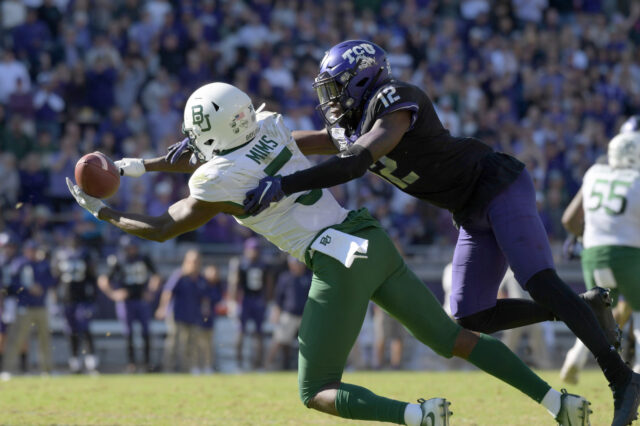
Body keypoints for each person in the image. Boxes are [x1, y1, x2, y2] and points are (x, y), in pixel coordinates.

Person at [67, 82, 590, 425]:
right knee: (453, 338)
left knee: (314, 389)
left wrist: (101, 211)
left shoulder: (214, 179)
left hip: (334, 262)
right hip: (369, 236)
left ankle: (416, 416)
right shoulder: (271, 129)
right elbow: (261, 152)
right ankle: (557, 403)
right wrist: (146, 165)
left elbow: (162, 228)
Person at [241, 40, 640, 425]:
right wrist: (231, 146)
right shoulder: (353, 123)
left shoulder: (394, 99)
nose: (329, 99)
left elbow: (356, 163)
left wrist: (284, 185)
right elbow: (295, 142)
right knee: (472, 314)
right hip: (468, 209)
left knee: (538, 281)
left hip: (497, 183)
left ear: (362, 79)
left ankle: (622, 378)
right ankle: (583, 308)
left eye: (335, 87)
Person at [561, 117, 640, 384]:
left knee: (599, 315)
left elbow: (569, 220)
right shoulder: (637, 180)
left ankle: (574, 358)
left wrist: (594, 236)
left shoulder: (595, 173)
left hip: (592, 255)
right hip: (628, 256)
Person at [98, 235, 160, 373]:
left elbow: (156, 275)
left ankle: (147, 363)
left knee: (145, 332)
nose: (132, 250)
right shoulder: (118, 261)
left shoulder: (144, 258)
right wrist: (113, 294)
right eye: (129, 247)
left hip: (141, 299)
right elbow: (103, 280)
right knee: (129, 333)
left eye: (134, 247)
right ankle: (131, 364)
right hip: (126, 301)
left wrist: (150, 291)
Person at [1, 240, 55, 377]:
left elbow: (51, 280)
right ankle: (8, 369)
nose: (33, 253)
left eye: (35, 250)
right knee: (18, 337)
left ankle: (47, 369)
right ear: (26, 251)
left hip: (41, 306)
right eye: (31, 250)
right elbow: (12, 283)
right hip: (25, 306)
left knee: (44, 338)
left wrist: (40, 286)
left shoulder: (43, 264)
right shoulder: (19, 263)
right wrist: (28, 288)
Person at [54, 234, 98, 374]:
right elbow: (56, 278)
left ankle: (91, 361)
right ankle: (75, 361)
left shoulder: (86, 255)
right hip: (67, 299)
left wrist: (93, 298)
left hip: (83, 298)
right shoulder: (60, 255)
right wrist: (56, 299)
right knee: (71, 331)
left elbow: (92, 277)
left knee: (85, 328)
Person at [155, 249, 203, 373]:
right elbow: (167, 292)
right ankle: (168, 369)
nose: (194, 264)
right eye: (192, 261)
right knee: (173, 343)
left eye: (196, 262)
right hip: (177, 315)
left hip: (193, 314)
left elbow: (204, 296)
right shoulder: (179, 275)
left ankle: (188, 369)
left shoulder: (200, 278)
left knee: (191, 344)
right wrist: (162, 308)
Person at [228, 237, 270, 370]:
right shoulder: (240, 263)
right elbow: (234, 283)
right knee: (241, 331)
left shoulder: (263, 265)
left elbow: (269, 285)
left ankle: (258, 364)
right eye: (252, 249)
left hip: (258, 299)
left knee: (258, 333)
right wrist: (233, 301)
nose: (254, 252)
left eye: (256, 250)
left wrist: (268, 301)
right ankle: (238, 363)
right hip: (244, 299)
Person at [266, 256, 311, 370]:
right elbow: (278, 298)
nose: (298, 265)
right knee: (278, 340)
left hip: (306, 315)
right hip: (289, 314)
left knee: (311, 343)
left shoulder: (309, 277)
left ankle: (314, 369)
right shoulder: (285, 277)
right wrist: (276, 312)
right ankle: (267, 366)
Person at [196, 265, 224, 374]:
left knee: (208, 344)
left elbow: (217, 299)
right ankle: (197, 366)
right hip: (198, 318)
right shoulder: (201, 283)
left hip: (210, 318)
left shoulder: (217, 286)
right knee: (198, 343)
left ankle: (207, 366)